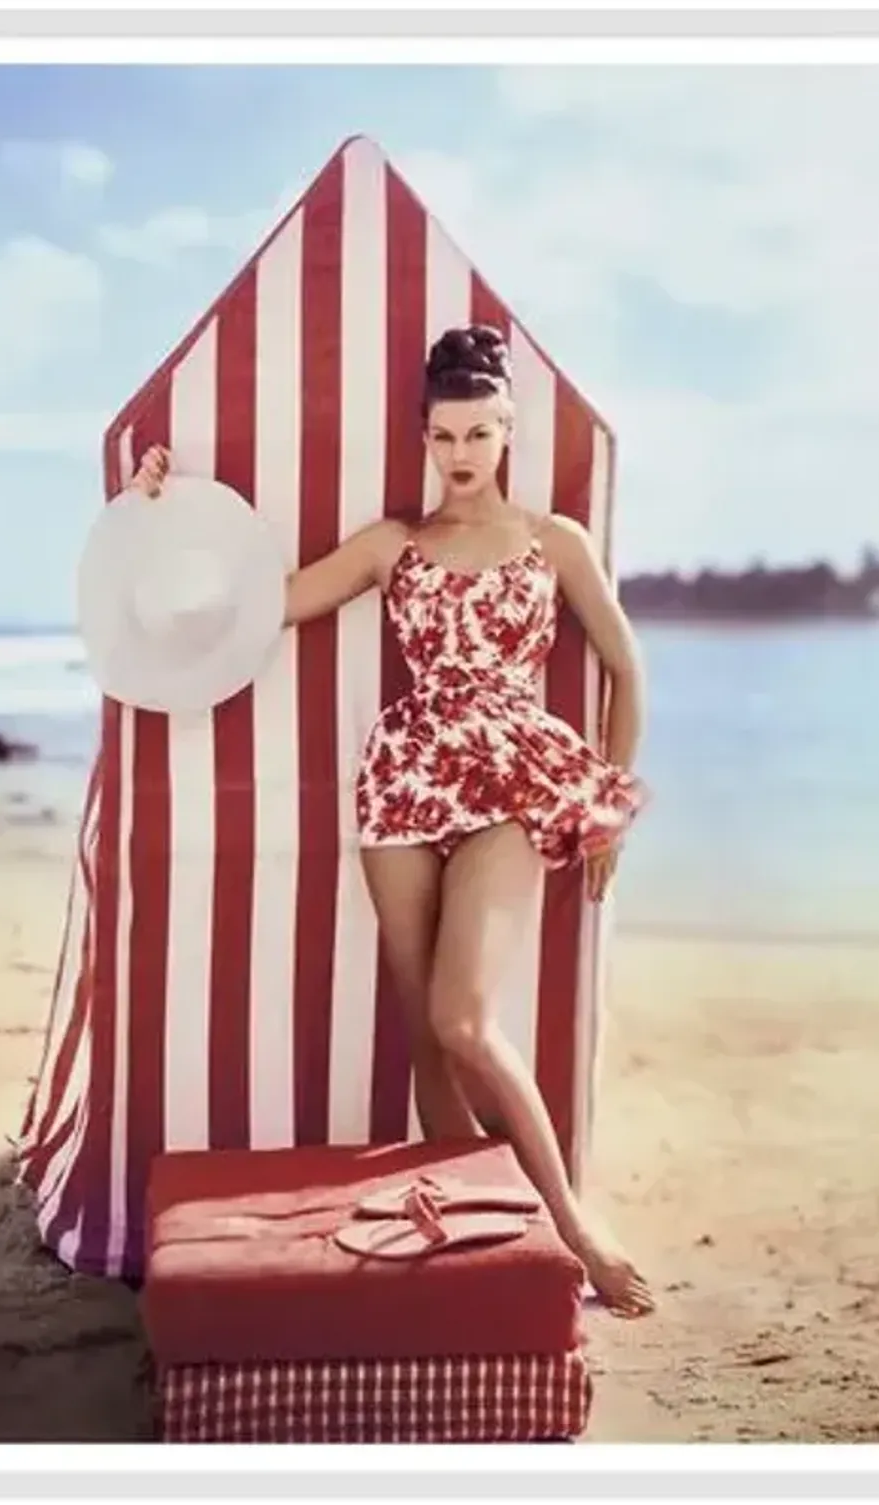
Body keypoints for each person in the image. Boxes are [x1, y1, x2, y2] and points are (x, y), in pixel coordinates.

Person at [134, 324, 654, 1319]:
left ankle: (575, 1224)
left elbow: (626, 669)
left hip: (512, 776)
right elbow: (257, 608)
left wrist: (610, 807)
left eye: (479, 433)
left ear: (508, 430)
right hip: (405, 778)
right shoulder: (392, 545)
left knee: (465, 1017)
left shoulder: (556, 541)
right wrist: (165, 510)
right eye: (444, 436)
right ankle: (467, 1240)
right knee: (426, 1025)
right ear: (423, 435)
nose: (461, 456)